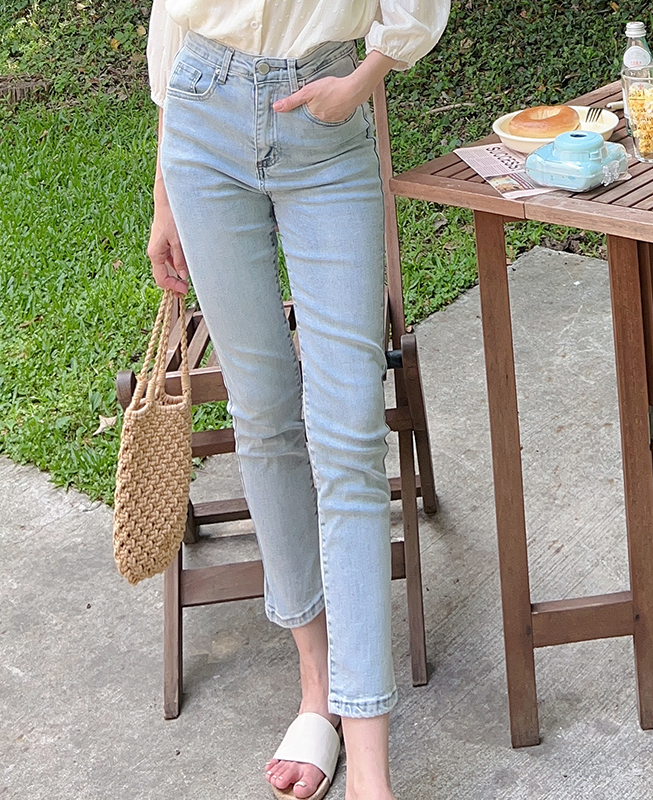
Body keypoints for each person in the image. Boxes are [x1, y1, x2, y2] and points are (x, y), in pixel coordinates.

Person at [145, 2, 449, 798]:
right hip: (200, 120)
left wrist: (365, 78)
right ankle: (317, 692)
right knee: (265, 421)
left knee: (349, 437)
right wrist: (164, 193)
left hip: (323, 114)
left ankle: (371, 766)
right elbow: (172, 17)